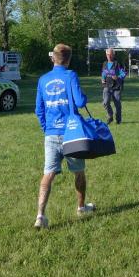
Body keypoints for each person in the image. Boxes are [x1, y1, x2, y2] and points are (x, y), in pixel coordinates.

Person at [33, 43, 96, 229]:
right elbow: (80, 101)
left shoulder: (43, 80)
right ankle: (81, 207)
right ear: (68, 60)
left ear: (53, 58)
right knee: (79, 172)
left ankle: (40, 216)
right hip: (71, 134)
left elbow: (39, 109)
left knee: (48, 174)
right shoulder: (71, 75)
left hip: (51, 134)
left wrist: (47, 128)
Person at [101, 48, 126, 124]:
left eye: (110, 54)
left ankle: (118, 120)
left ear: (113, 55)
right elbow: (103, 73)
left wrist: (118, 77)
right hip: (107, 85)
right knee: (105, 102)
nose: (109, 56)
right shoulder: (105, 63)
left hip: (116, 86)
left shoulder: (118, 64)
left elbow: (124, 73)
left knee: (117, 104)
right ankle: (110, 116)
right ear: (106, 55)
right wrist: (102, 78)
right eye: (108, 54)